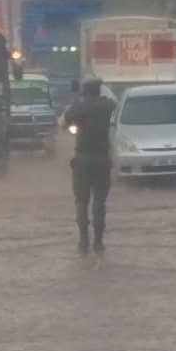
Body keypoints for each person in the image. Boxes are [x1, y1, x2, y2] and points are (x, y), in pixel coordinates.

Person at [65, 78, 115, 254]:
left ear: (84, 92)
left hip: (83, 159)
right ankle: (99, 243)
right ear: (99, 90)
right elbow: (112, 102)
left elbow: (67, 118)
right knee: (100, 202)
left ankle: (83, 241)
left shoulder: (80, 106)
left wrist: (78, 100)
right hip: (102, 159)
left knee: (81, 201)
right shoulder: (106, 105)